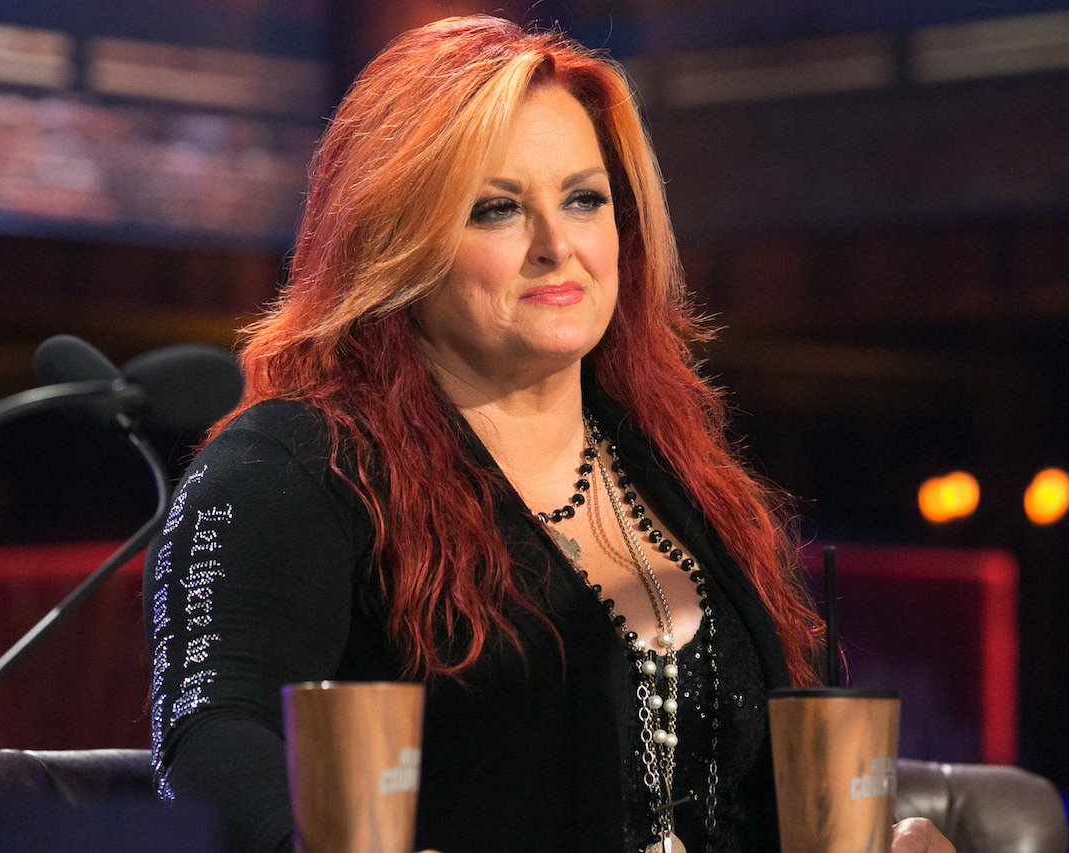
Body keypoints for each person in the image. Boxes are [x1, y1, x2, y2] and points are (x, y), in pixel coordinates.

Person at [145, 15, 953, 853]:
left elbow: (774, 797)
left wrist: (889, 838)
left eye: (584, 198)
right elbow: (208, 739)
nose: (557, 245)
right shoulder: (292, 466)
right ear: (393, 240)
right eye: (497, 209)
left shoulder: (681, 474)